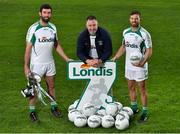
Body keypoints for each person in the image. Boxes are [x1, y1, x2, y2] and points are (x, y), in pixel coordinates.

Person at [24, 4, 71, 122]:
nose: (47, 15)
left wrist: (66, 58)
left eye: (49, 13)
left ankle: (54, 107)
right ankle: (32, 111)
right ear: (40, 13)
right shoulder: (34, 29)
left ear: (51, 14)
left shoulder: (53, 28)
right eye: (44, 13)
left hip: (50, 63)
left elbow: (56, 44)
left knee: (52, 86)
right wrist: (26, 66)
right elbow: (28, 49)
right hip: (36, 65)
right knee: (33, 89)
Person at [112, 10, 152, 122]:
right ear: (129, 19)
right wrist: (116, 57)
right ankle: (134, 108)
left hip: (140, 67)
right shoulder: (125, 32)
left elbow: (149, 51)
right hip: (128, 66)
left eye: (136, 18)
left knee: (142, 89)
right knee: (131, 87)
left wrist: (142, 63)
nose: (134, 20)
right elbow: (124, 46)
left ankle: (145, 112)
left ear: (140, 19)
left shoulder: (144, 33)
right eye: (132, 18)